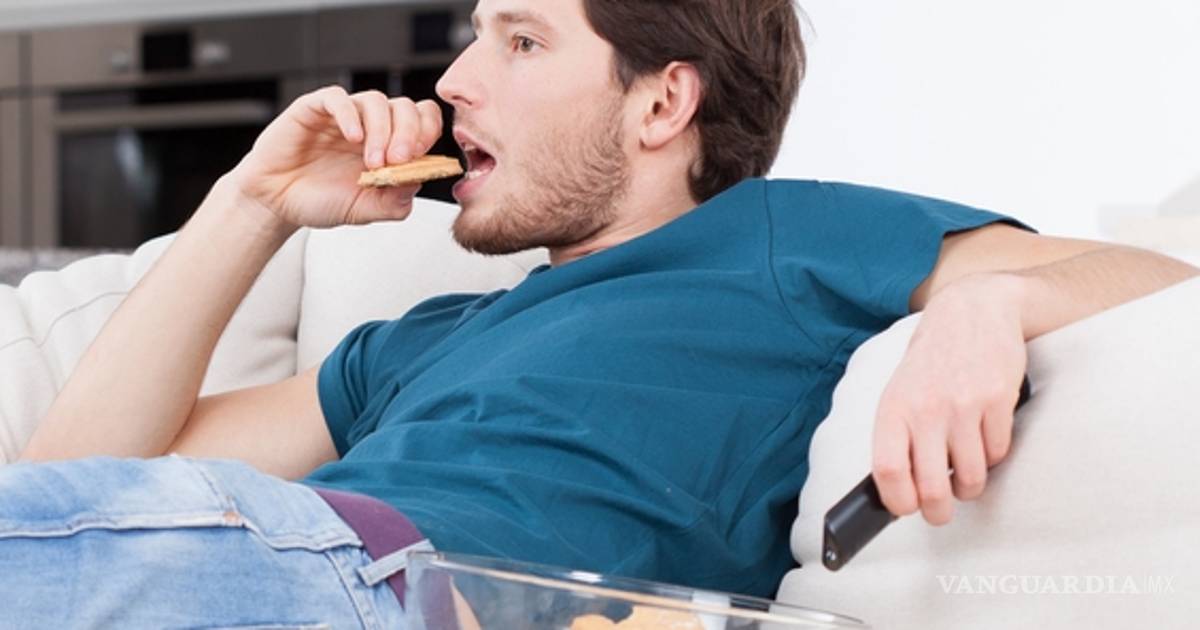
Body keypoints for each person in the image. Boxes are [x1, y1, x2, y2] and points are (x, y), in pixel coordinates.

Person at [5, 0, 1197, 627]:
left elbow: (1156, 275)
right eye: (472, 37)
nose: (454, 83)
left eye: (520, 40)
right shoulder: (421, 343)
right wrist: (253, 203)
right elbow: (75, 484)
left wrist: (989, 301)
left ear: (661, 104)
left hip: (386, 587)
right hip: (265, 557)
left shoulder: (778, 238)